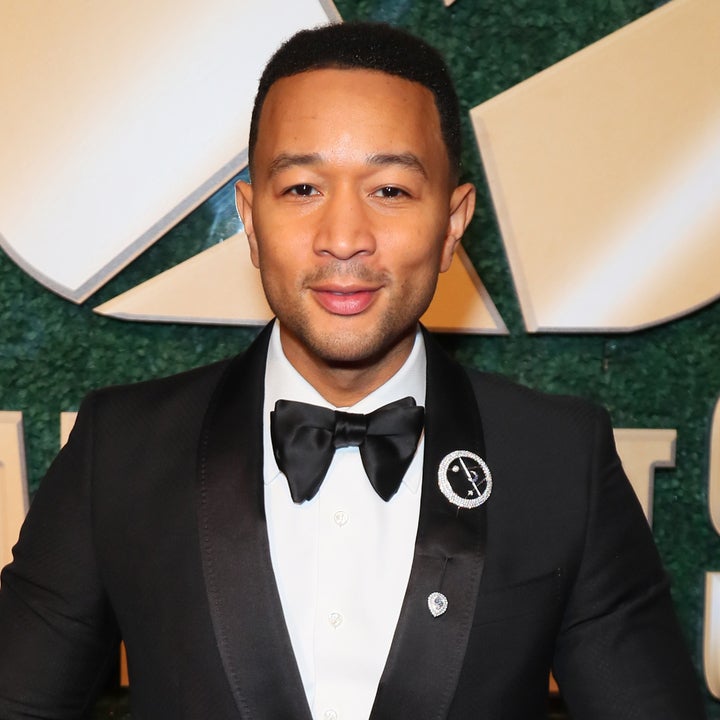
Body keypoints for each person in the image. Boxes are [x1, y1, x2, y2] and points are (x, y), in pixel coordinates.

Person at [0, 21, 706, 720]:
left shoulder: (559, 461)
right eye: (302, 188)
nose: (343, 240)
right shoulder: (121, 451)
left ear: (452, 223)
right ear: (250, 218)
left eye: (390, 190)